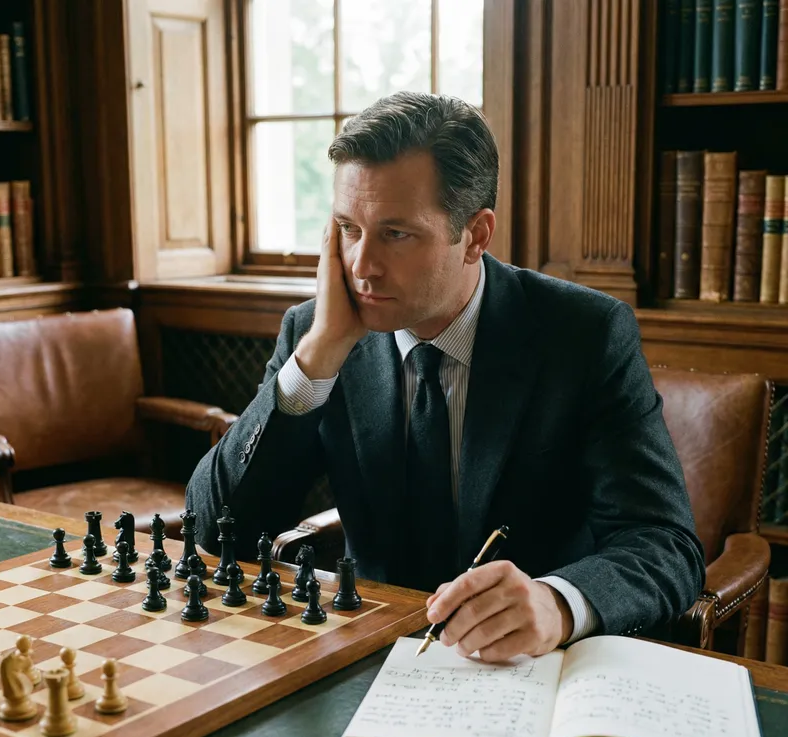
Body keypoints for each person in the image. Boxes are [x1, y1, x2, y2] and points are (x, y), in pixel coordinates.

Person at [186, 91, 704, 662]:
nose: (361, 266)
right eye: (348, 229)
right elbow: (213, 530)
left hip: (528, 667)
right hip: (370, 655)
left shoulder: (584, 334)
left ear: (476, 236)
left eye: (396, 233)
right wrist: (316, 357)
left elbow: (665, 544)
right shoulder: (315, 334)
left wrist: (557, 603)